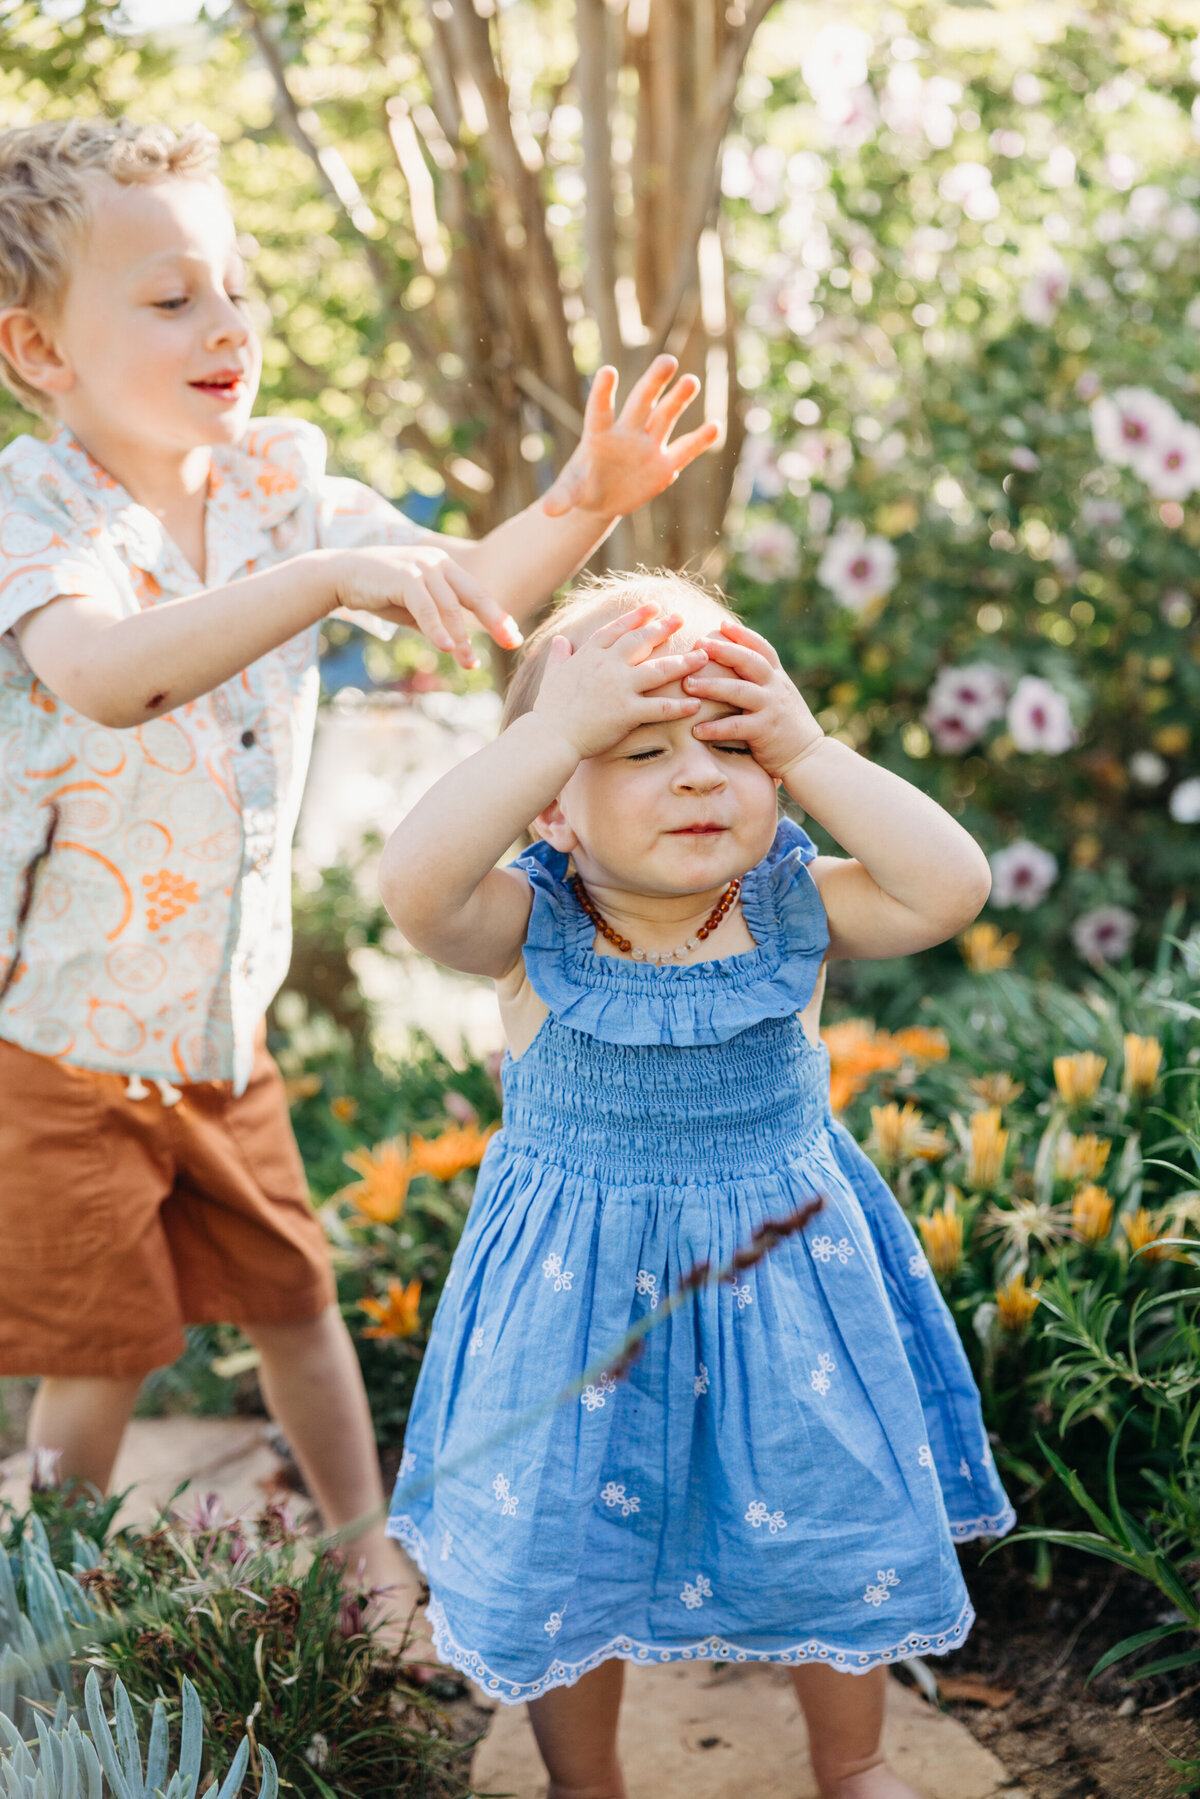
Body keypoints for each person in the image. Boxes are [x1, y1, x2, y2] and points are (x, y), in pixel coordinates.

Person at [0, 117, 716, 1656]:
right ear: (37, 347)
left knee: (296, 1296)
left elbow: (461, 590)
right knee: (101, 1344)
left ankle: (370, 1555)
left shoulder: (279, 483)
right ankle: (41, 1604)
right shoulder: (40, 513)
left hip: (218, 1024)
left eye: (237, 286)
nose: (231, 324)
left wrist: (583, 498)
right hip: (56, 1038)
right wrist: (325, 579)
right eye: (174, 295)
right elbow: (109, 676)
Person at [378, 571, 1016, 1799]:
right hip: (575, 1296)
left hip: (791, 1276)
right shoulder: (527, 923)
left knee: (833, 1500)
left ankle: (855, 1760)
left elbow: (953, 887)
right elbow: (414, 885)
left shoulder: (795, 905)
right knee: (566, 1532)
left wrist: (813, 748)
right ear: (550, 806)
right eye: (638, 746)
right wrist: (553, 728)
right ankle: (585, 1776)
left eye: (730, 741)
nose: (697, 774)